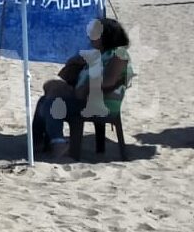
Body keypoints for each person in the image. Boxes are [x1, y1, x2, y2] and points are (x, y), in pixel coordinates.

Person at [31, 17, 132, 157]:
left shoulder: (119, 54)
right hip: (83, 98)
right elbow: (69, 77)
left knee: (51, 103)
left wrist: (86, 87)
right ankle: (38, 142)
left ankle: (57, 142)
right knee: (45, 99)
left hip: (101, 102)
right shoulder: (97, 55)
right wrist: (74, 64)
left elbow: (109, 81)